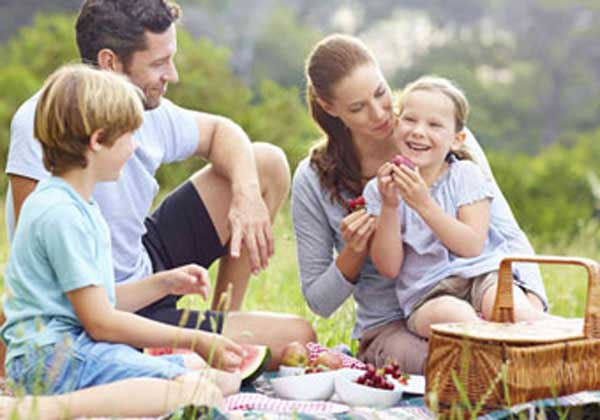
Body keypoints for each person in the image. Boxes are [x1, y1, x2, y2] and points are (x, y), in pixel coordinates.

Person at [2, 0, 316, 374]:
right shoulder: (44, 121)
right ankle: (181, 348)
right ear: (110, 62)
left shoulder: (149, 109)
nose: (174, 75)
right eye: (158, 63)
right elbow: (35, 264)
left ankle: (222, 320)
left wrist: (246, 197)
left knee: (264, 162)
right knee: (292, 339)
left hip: (144, 273)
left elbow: (222, 131)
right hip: (89, 306)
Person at [292, 34, 547, 373]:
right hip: (394, 323)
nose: (381, 113)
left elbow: (503, 232)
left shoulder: (440, 135)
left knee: (521, 343)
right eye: (357, 108)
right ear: (329, 108)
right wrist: (354, 252)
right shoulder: (314, 179)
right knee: (468, 368)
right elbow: (319, 301)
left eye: (381, 93)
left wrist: (531, 302)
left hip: (477, 286)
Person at [1, 64, 240, 419]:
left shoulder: (78, 204)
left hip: (73, 350)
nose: (135, 148)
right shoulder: (60, 214)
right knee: (200, 392)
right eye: (130, 136)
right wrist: (195, 337)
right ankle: (35, 410)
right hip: (53, 359)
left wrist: (164, 283)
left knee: (223, 381)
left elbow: (99, 300)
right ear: (98, 141)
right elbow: (100, 322)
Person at [364, 76, 547, 338]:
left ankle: (566, 344)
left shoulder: (465, 175)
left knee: (513, 310)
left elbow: (471, 246)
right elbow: (389, 268)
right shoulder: (379, 189)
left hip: (484, 275)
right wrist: (390, 206)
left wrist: (423, 203)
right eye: (410, 120)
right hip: (428, 293)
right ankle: (495, 351)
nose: (418, 131)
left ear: (457, 139)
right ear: (396, 125)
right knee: (456, 319)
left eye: (434, 124)